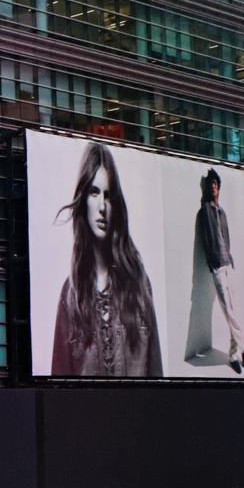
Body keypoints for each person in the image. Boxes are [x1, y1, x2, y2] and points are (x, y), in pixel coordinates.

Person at [51, 142, 162, 377]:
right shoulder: (71, 295)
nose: (102, 206)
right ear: (84, 200)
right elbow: (59, 387)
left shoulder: (139, 285)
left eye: (109, 195)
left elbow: (156, 375)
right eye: (94, 192)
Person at [196, 168, 244, 374]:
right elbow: (206, 241)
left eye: (216, 183)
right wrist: (212, 262)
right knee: (227, 311)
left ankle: (235, 353)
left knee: (232, 309)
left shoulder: (222, 212)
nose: (213, 186)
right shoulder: (205, 211)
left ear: (219, 187)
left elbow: (226, 237)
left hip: (228, 265)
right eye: (210, 184)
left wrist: (230, 259)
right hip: (217, 266)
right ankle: (243, 339)